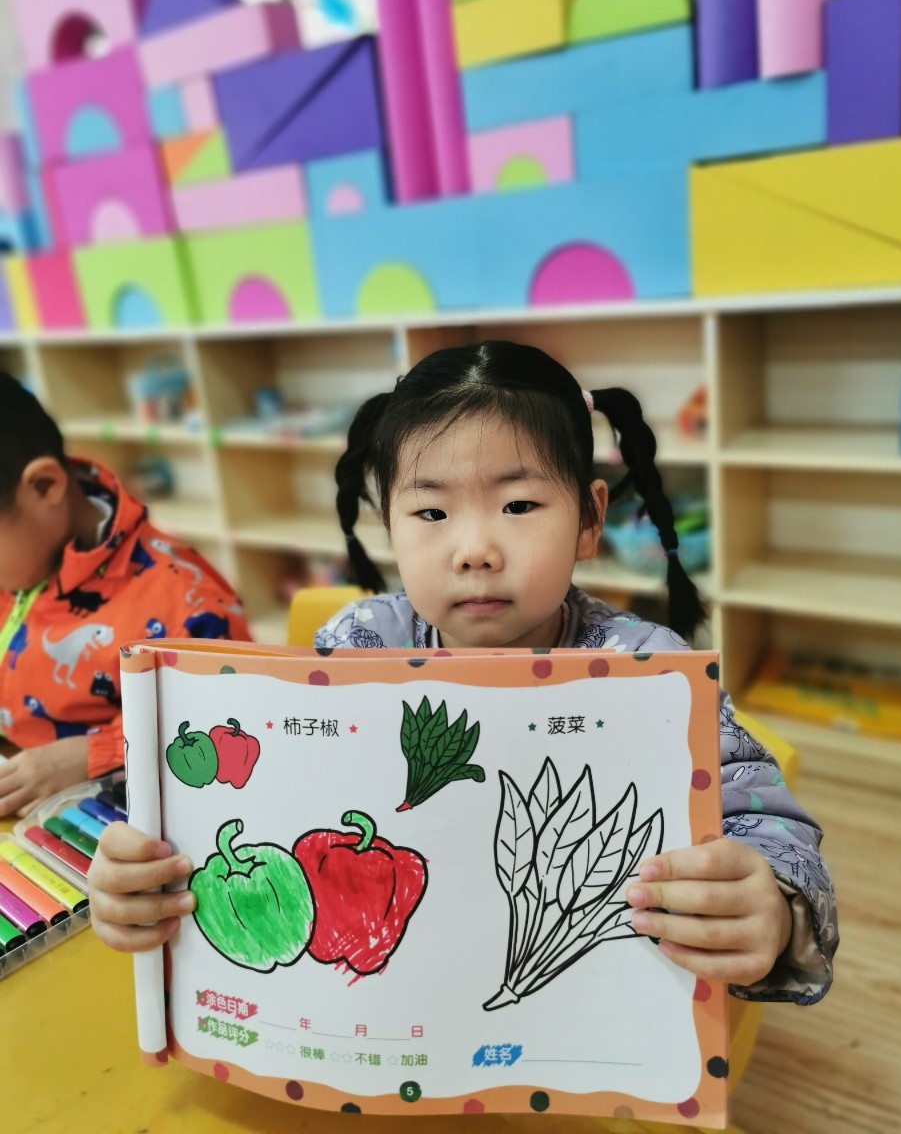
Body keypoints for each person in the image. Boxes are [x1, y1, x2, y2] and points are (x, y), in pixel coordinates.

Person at [89, 341, 837, 1005]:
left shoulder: (648, 670)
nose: (474, 549)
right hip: (394, 1009)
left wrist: (773, 906)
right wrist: (147, 870)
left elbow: (767, 823)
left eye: (519, 504)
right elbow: (270, 801)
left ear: (589, 518)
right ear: (389, 524)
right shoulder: (355, 647)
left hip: (577, 1029)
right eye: (432, 514)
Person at [0, 372, 251, 816]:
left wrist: (98, 753)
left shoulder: (188, 600)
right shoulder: (23, 559)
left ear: (44, 486)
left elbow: (228, 723)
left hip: (110, 821)